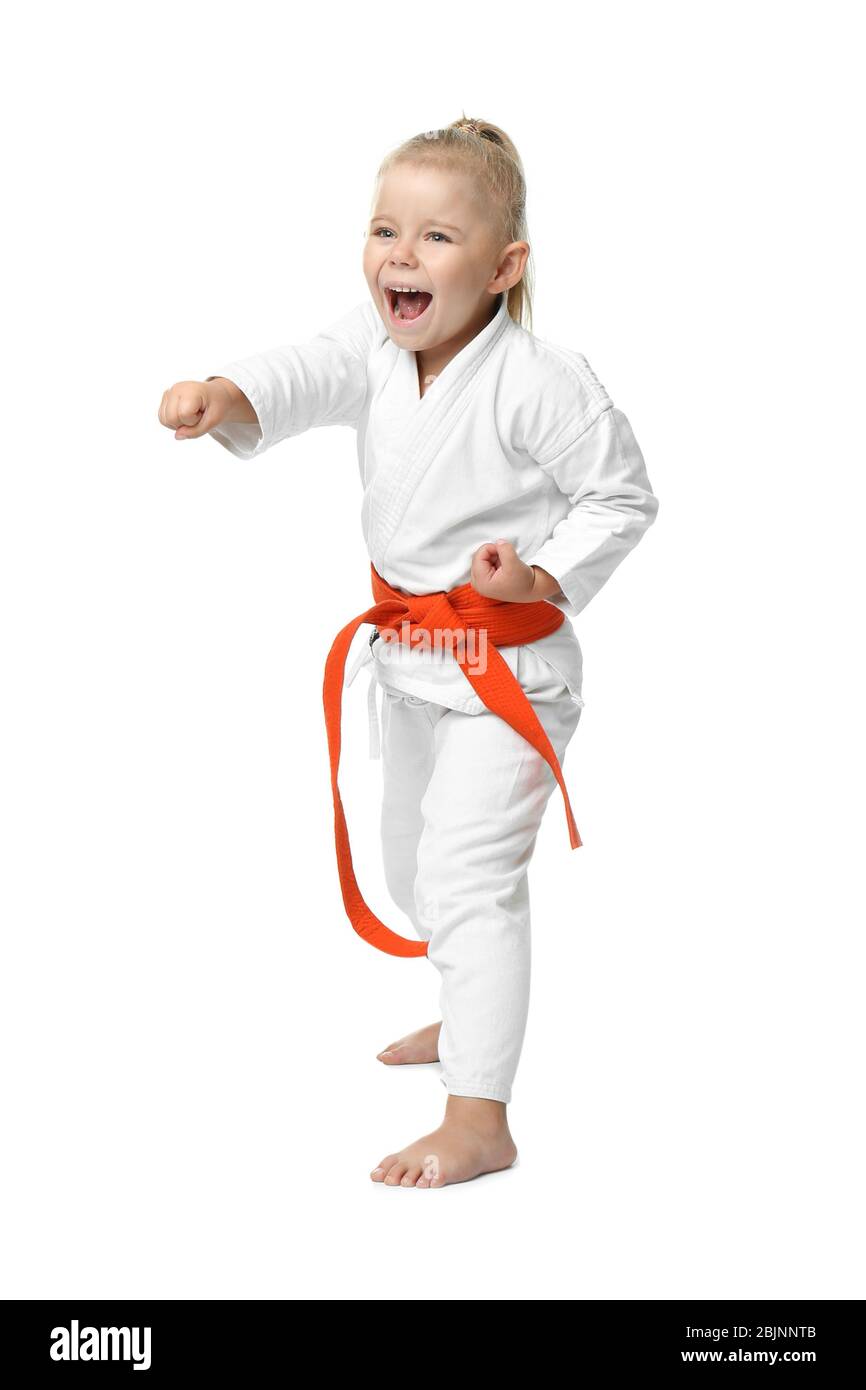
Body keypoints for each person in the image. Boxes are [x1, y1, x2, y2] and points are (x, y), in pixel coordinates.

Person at [158, 116, 660, 1189]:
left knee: (468, 877)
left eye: (436, 237)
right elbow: (300, 370)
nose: (400, 253)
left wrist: (541, 578)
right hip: (408, 661)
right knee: (412, 866)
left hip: (506, 672)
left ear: (503, 265)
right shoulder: (374, 345)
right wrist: (225, 395)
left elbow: (620, 494)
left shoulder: (542, 376)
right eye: (386, 228)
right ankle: (467, 1001)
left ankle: (479, 1117)